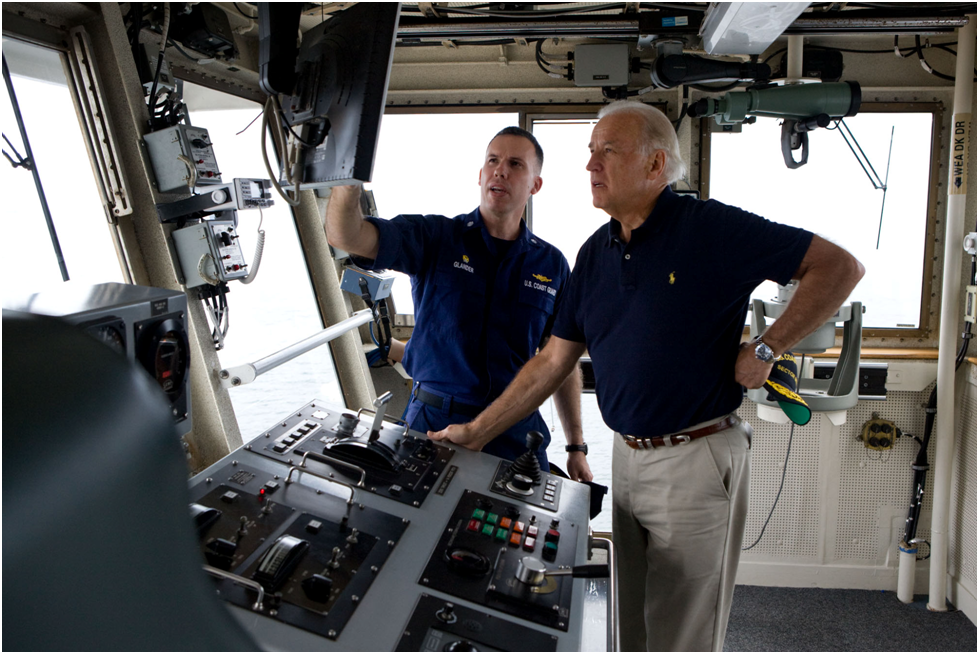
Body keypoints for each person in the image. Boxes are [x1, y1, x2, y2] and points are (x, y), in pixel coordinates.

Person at [430, 101, 865, 651]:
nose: (591, 165)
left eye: (607, 152)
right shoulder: (594, 254)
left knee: (683, 632)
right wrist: (476, 432)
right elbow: (551, 361)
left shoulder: (711, 229)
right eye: (590, 152)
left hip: (695, 457)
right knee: (628, 620)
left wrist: (768, 346)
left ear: (657, 165)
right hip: (628, 457)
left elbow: (839, 267)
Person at [325, 126, 593, 482]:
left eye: (515, 164)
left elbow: (560, 358)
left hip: (513, 427)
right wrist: (348, 179)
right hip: (434, 422)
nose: (500, 170)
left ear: (535, 185)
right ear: (481, 175)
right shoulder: (436, 238)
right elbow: (347, 235)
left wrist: (576, 446)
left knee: (516, 533)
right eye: (493, 161)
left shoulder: (552, 265)